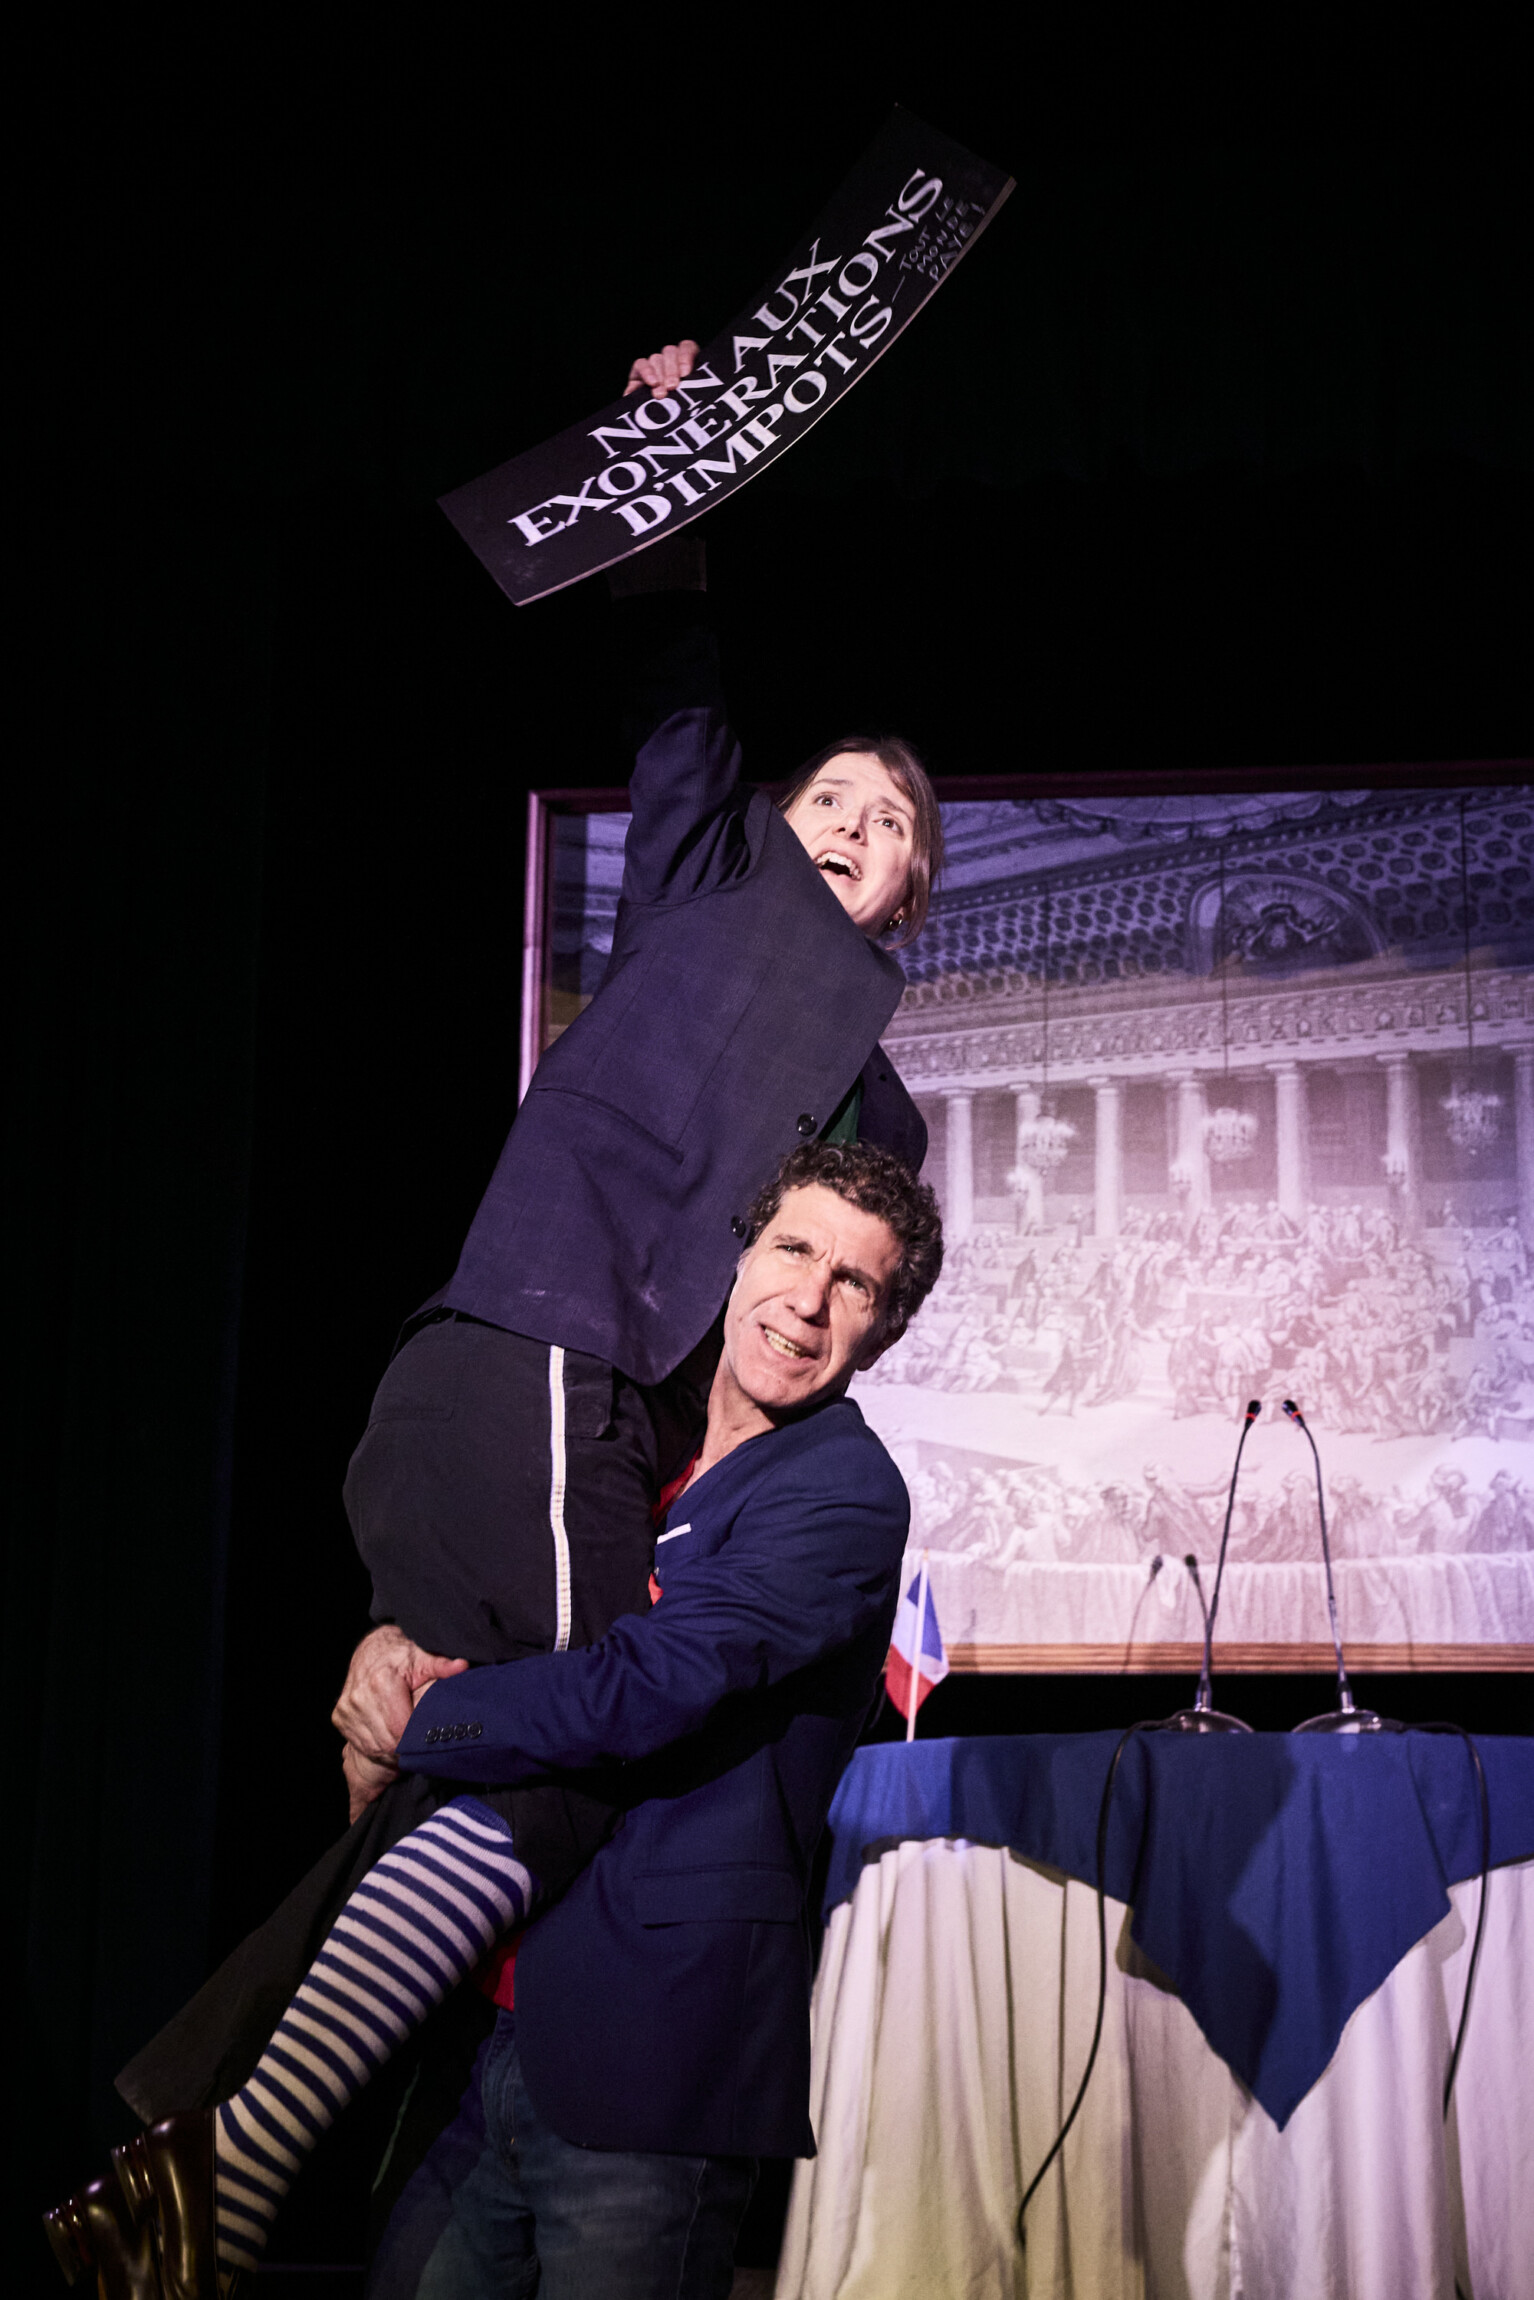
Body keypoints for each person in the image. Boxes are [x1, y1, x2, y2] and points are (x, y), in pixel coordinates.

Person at [48, 336, 941, 2295]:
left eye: (889, 828)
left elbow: (829, 1296)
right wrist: (669, 447)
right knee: (523, 1748)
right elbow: (676, 685)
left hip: (533, 1403)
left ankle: (194, 2160)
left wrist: (418, 1679)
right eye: (830, 796)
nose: (851, 824)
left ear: (903, 906)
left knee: (453, 1753)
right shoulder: (704, 893)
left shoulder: (867, 1108)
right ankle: (232, 2172)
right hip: (532, 1350)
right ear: (776, 822)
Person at [61, 1142, 943, 2300]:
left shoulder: (843, 1488)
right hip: (472, 2036)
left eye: (853, 1282)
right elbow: (491, 1593)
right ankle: (226, 2164)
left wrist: (426, 1716)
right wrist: (389, 1642)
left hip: (644, 2061)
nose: (808, 1299)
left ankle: (227, 2169)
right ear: (737, 1256)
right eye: (793, 1248)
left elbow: (647, 1686)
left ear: (880, 1331)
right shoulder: (619, 1429)